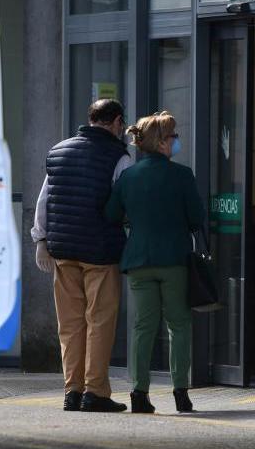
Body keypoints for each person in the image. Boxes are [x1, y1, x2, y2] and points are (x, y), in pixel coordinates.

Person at [32, 99, 132, 413]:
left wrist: (40, 239)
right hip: (100, 251)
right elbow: (123, 202)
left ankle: (72, 391)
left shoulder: (58, 151)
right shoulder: (119, 156)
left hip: (63, 249)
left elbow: (45, 198)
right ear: (116, 122)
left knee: (70, 324)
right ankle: (95, 391)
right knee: (99, 321)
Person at [105, 111, 204, 414]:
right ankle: (181, 394)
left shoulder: (128, 176)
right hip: (174, 259)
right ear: (161, 143)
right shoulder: (182, 175)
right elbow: (196, 219)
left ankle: (139, 393)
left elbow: (111, 214)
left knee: (142, 327)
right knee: (179, 325)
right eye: (174, 137)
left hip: (138, 259)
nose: (177, 141)